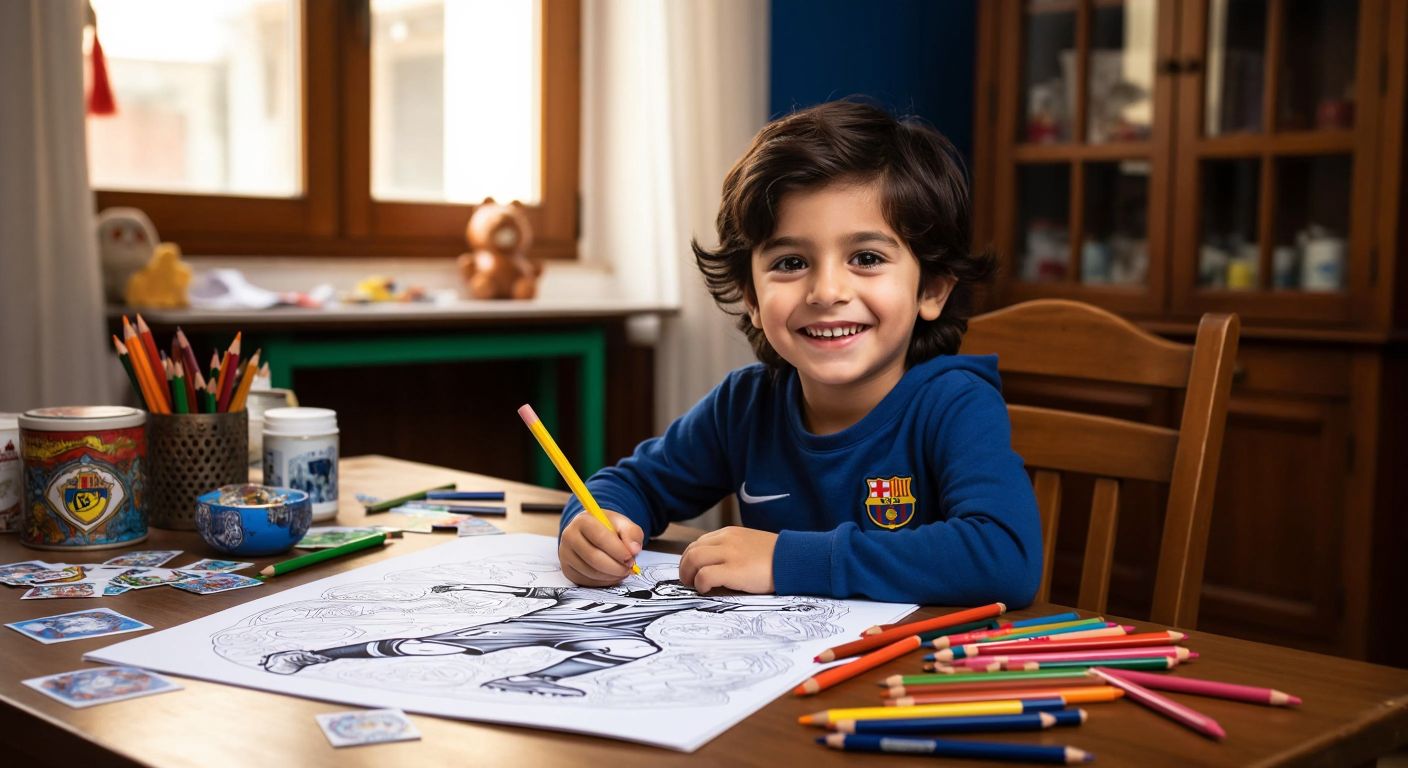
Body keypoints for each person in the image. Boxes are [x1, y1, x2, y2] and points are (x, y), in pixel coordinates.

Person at [558, 99, 1041, 606]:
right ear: (751, 297)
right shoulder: (745, 405)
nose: (827, 292)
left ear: (932, 290)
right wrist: (593, 524)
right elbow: (631, 485)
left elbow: (1004, 557)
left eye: (866, 258)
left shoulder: (955, 404)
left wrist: (783, 560)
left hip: (911, 654)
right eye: (791, 263)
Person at [259, 579, 812, 697]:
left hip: (609, 636)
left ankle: (532, 680)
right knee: (435, 644)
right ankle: (314, 654)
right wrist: (596, 519)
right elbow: (522, 591)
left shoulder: (690, 603)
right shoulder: (739, 405)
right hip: (537, 623)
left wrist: (789, 579)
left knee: (637, 648)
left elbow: (748, 602)